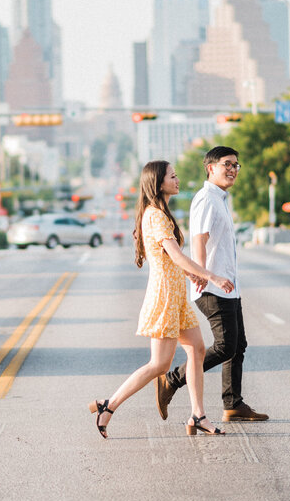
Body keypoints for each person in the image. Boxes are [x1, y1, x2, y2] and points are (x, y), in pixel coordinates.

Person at [89, 160, 235, 439]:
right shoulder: (155, 215)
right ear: (158, 183)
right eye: (172, 176)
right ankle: (109, 405)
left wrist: (191, 275)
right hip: (165, 296)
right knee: (159, 365)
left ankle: (198, 415)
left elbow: (171, 259)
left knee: (197, 349)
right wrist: (211, 276)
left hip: (176, 293)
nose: (177, 180)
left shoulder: (161, 213)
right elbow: (176, 255)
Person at [154, 145, 269, 423]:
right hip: (212, 287)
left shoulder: (220, 199)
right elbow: (199, 241)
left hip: (227, 286)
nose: (232, 170)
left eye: (235, 165)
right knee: (226, 345)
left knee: (238, 344)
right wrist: (205, 278)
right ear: (211, 168)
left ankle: (233, 404)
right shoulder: (206, 198)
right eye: (226, 164)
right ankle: (172, 380)